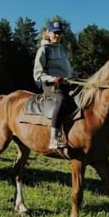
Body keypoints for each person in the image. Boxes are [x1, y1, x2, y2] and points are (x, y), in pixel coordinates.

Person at [33, 20, 74, 149]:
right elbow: (38, 74)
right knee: (61, 100)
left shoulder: (63, 50)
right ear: (49, 33)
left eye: (59, 33)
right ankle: (53, 138)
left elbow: (68, 71)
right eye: (54, 32)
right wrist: (53, 79)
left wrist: (76, 76)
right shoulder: (44, 50)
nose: (57, 35)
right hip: (51, 84)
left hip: (65, 83)